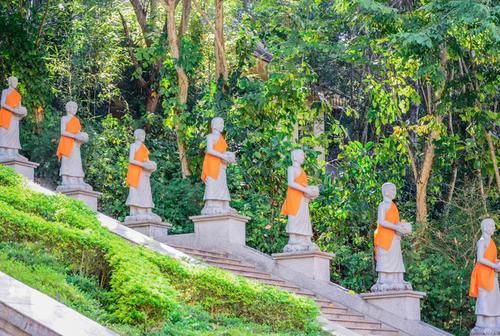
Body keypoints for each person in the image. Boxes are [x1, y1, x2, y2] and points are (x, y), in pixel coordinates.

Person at [372, 182, 412, 291]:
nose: (395, 192)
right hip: (384, 236)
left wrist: (403, 228)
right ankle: (383, 279)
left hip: (394, 236)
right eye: (393, 190)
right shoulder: (383, 205)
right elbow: (382, 221)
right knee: (384, 259)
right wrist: (396, 227)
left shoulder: (394, 206)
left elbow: (396, 222)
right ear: (386, 192)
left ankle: (398, 278)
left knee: (397, 258)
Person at [281, 149, 320, 252]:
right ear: (295, 157)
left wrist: (311, 190)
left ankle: (306, 239)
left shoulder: (302, 171)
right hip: (294, 196)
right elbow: (291, 183)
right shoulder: (291, 168)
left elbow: (303, 184)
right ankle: (293, 238)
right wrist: (305, 189)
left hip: (303, 198)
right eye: (301, 156)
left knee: (304, 218)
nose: (303, 158)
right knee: (294, 217)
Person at [469, 218, 500, 334]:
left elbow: (490, 258)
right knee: (484, 297)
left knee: (495, 298)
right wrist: (493, 265)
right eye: (492, 226)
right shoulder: (481, 241)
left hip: (492, 273)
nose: (494, 229)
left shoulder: (491, 241)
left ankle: (495, 321)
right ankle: (482, 321)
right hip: (483, 273)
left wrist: (497, 263)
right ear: (485, 227)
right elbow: (481, 258)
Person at [200, 117, 236, 215]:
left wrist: (229, 156)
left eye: (223, 124)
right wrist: (222, 155)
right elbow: (209, 150)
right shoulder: (210, 136)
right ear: (214, 125)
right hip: (212, 163)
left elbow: (222, 151)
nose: (222, 126)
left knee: (222, 184)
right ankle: (210, 203)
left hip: (221, 165)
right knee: (212, 183)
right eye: (221, 123)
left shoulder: (221, 139)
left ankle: (225, 204)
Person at [125, 129, 160, 222]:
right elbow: (131, 160)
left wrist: (152, 165)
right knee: (134, 191)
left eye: (144, 135)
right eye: (141, 135)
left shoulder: (144, 148)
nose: (143, 136)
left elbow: (146, 160)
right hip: (135, 171)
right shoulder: (133, 146)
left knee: (146, 190)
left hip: (144, 173)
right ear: (136, 136)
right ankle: (133, 211)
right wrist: (142, 165)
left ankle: (148, 210)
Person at [56, 101, 90, 189]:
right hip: (66, 142)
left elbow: (78, 132)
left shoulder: (76, 120)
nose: (75, 109)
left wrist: (82, 137)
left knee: (77, 162)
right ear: (68, 108)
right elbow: (63, 132)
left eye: (76, 108)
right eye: (73, 107)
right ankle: (65, 180)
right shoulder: (64, 118)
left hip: (75, 144)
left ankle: (79, 179)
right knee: (66, 161)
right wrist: (74, 136)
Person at [0, 76, 27, 161]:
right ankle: (3, 152)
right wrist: (12, 110)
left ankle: (13, 152)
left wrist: (22, 113)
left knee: (14, 134)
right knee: (4, 133)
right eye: (14, 81)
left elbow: (18, 108)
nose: (15, 83)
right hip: (5, 114)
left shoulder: (17, 95)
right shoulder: (5, 91)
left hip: (14, 118)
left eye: (16, 81)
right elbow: (2, 104)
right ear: (10, 82)